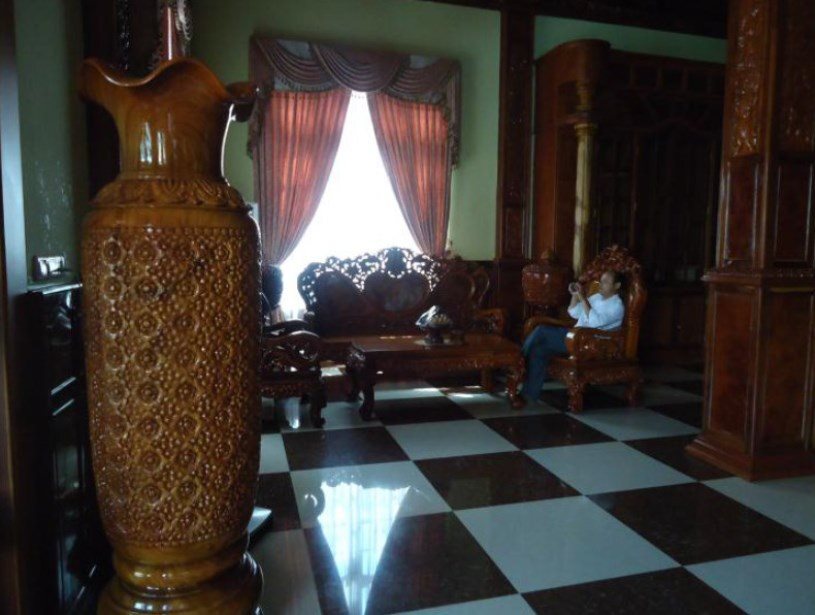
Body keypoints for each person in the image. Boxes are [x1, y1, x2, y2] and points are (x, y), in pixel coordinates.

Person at [522, 270, 625, 402]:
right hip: (576, 337)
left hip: (590, 343)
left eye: (605, 282)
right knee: (539, 350)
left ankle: (518, 362)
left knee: (541, 330)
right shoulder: (596, 297)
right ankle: (529, 394)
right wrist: (575, 294)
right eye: (601, 281)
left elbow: (594, 323)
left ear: (617, 285)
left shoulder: (617, 306)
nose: (601, 284)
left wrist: (582, 296)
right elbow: (573, 312)